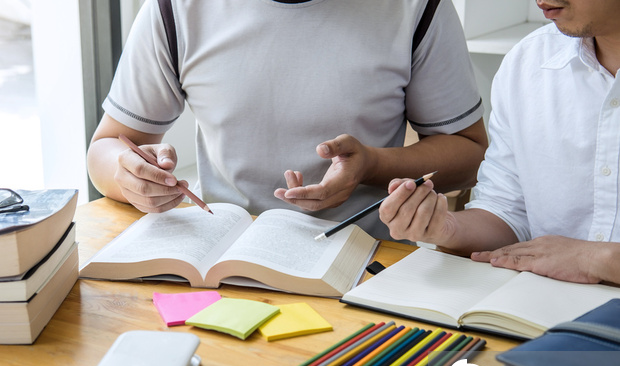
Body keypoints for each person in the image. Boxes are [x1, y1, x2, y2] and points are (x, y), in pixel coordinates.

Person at [87, 0, 488, 240]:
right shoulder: (175, 8)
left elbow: (470, 154)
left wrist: (373, 166)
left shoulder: (416, 7)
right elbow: (107, 148)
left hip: (366, 261)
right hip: (223, 254)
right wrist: (131, 177)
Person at [379, 0, 620, 282]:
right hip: (543, 305)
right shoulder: (528, 62)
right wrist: (445, 228)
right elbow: (506, 211)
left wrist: (599, 260)